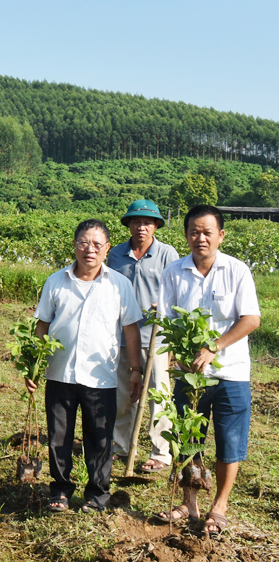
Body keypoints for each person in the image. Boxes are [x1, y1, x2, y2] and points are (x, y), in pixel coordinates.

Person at [155, 205, 260, 535]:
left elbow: (250, 319)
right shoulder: (173, 272)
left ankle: (220, 506)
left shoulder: (237, 270)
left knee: (230, 440)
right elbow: (168, 322)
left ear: (221, 236)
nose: (200, 238)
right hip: (190, 374)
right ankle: (189, 503)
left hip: (231, 372)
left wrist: (214, 345)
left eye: (207, 232)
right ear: (186, 235)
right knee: (187, 439)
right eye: (194, 232)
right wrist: (177, 356)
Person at [29, 219, 144, 513]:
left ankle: (97, 493)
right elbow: (42, 325)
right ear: (75, 245)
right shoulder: (56, 281)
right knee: (58, 436)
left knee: (100, 438)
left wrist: (136, 370)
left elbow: (130, 330)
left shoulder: (119, 285)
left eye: (96, 244)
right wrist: (33, 366)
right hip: (60, 373)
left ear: (107, 249)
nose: (89, 249)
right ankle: (61, 490)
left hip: (100, 376)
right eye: (83, 242)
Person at [107, 200, 179, 473]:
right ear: (128, 224)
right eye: (136, 222)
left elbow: (177, 291)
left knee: (158, 394)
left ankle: (160, 452)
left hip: (155, 339)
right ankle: (121, 446)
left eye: (147, 222)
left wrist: (164, 305)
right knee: (124, 394)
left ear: (156, 226)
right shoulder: (115, 255)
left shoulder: (166, 254)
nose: (141, 227)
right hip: (123, 337)